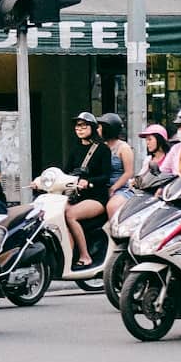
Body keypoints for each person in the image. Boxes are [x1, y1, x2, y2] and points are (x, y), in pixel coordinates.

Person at [65, 112, 113, 269]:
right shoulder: (74, 149)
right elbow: (65, 172)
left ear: (92, 127)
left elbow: (106, 176)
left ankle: (85, 256)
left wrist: (89, 182)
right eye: (77, 126)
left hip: (96, 197)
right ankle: (67, 255)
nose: (79, 129)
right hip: (77, 197)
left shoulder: (102, 150)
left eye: (84, 125)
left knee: (71, 215)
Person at [99, 112, 138, 219]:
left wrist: (113, 188)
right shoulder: (101, 147)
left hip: (120, 188)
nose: (98, 130)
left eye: (101, 127)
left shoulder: (123, 148)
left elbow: (128, 173)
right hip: (102, 186)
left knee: (112, 206)